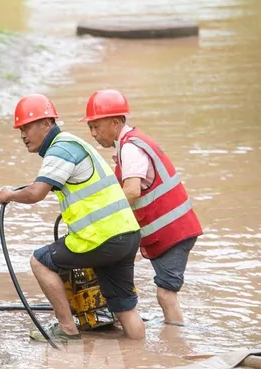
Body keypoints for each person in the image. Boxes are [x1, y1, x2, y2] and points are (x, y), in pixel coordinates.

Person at [0, 94, 146, 341]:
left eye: (27, 127)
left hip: (100, 238)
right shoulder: (74, 144)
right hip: (127, 234)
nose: (23, 135)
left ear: (47, 124)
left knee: (40, 261)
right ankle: (143, 360)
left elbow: (36, 193)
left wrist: (9, 195)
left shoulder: (60, 149)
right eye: (20, 129)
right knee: (125, 309)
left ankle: (67, 329)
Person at [79, 89, 203, 326]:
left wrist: (101, 215)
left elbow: (132, 191)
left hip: (172, 233)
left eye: (96, 126)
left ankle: (175, 346)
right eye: (90, 127)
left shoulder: (130, 149)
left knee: (166, 295)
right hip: (171, 231)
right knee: (165, 292)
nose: (93, 133)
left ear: (115, 122)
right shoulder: (130, 143)